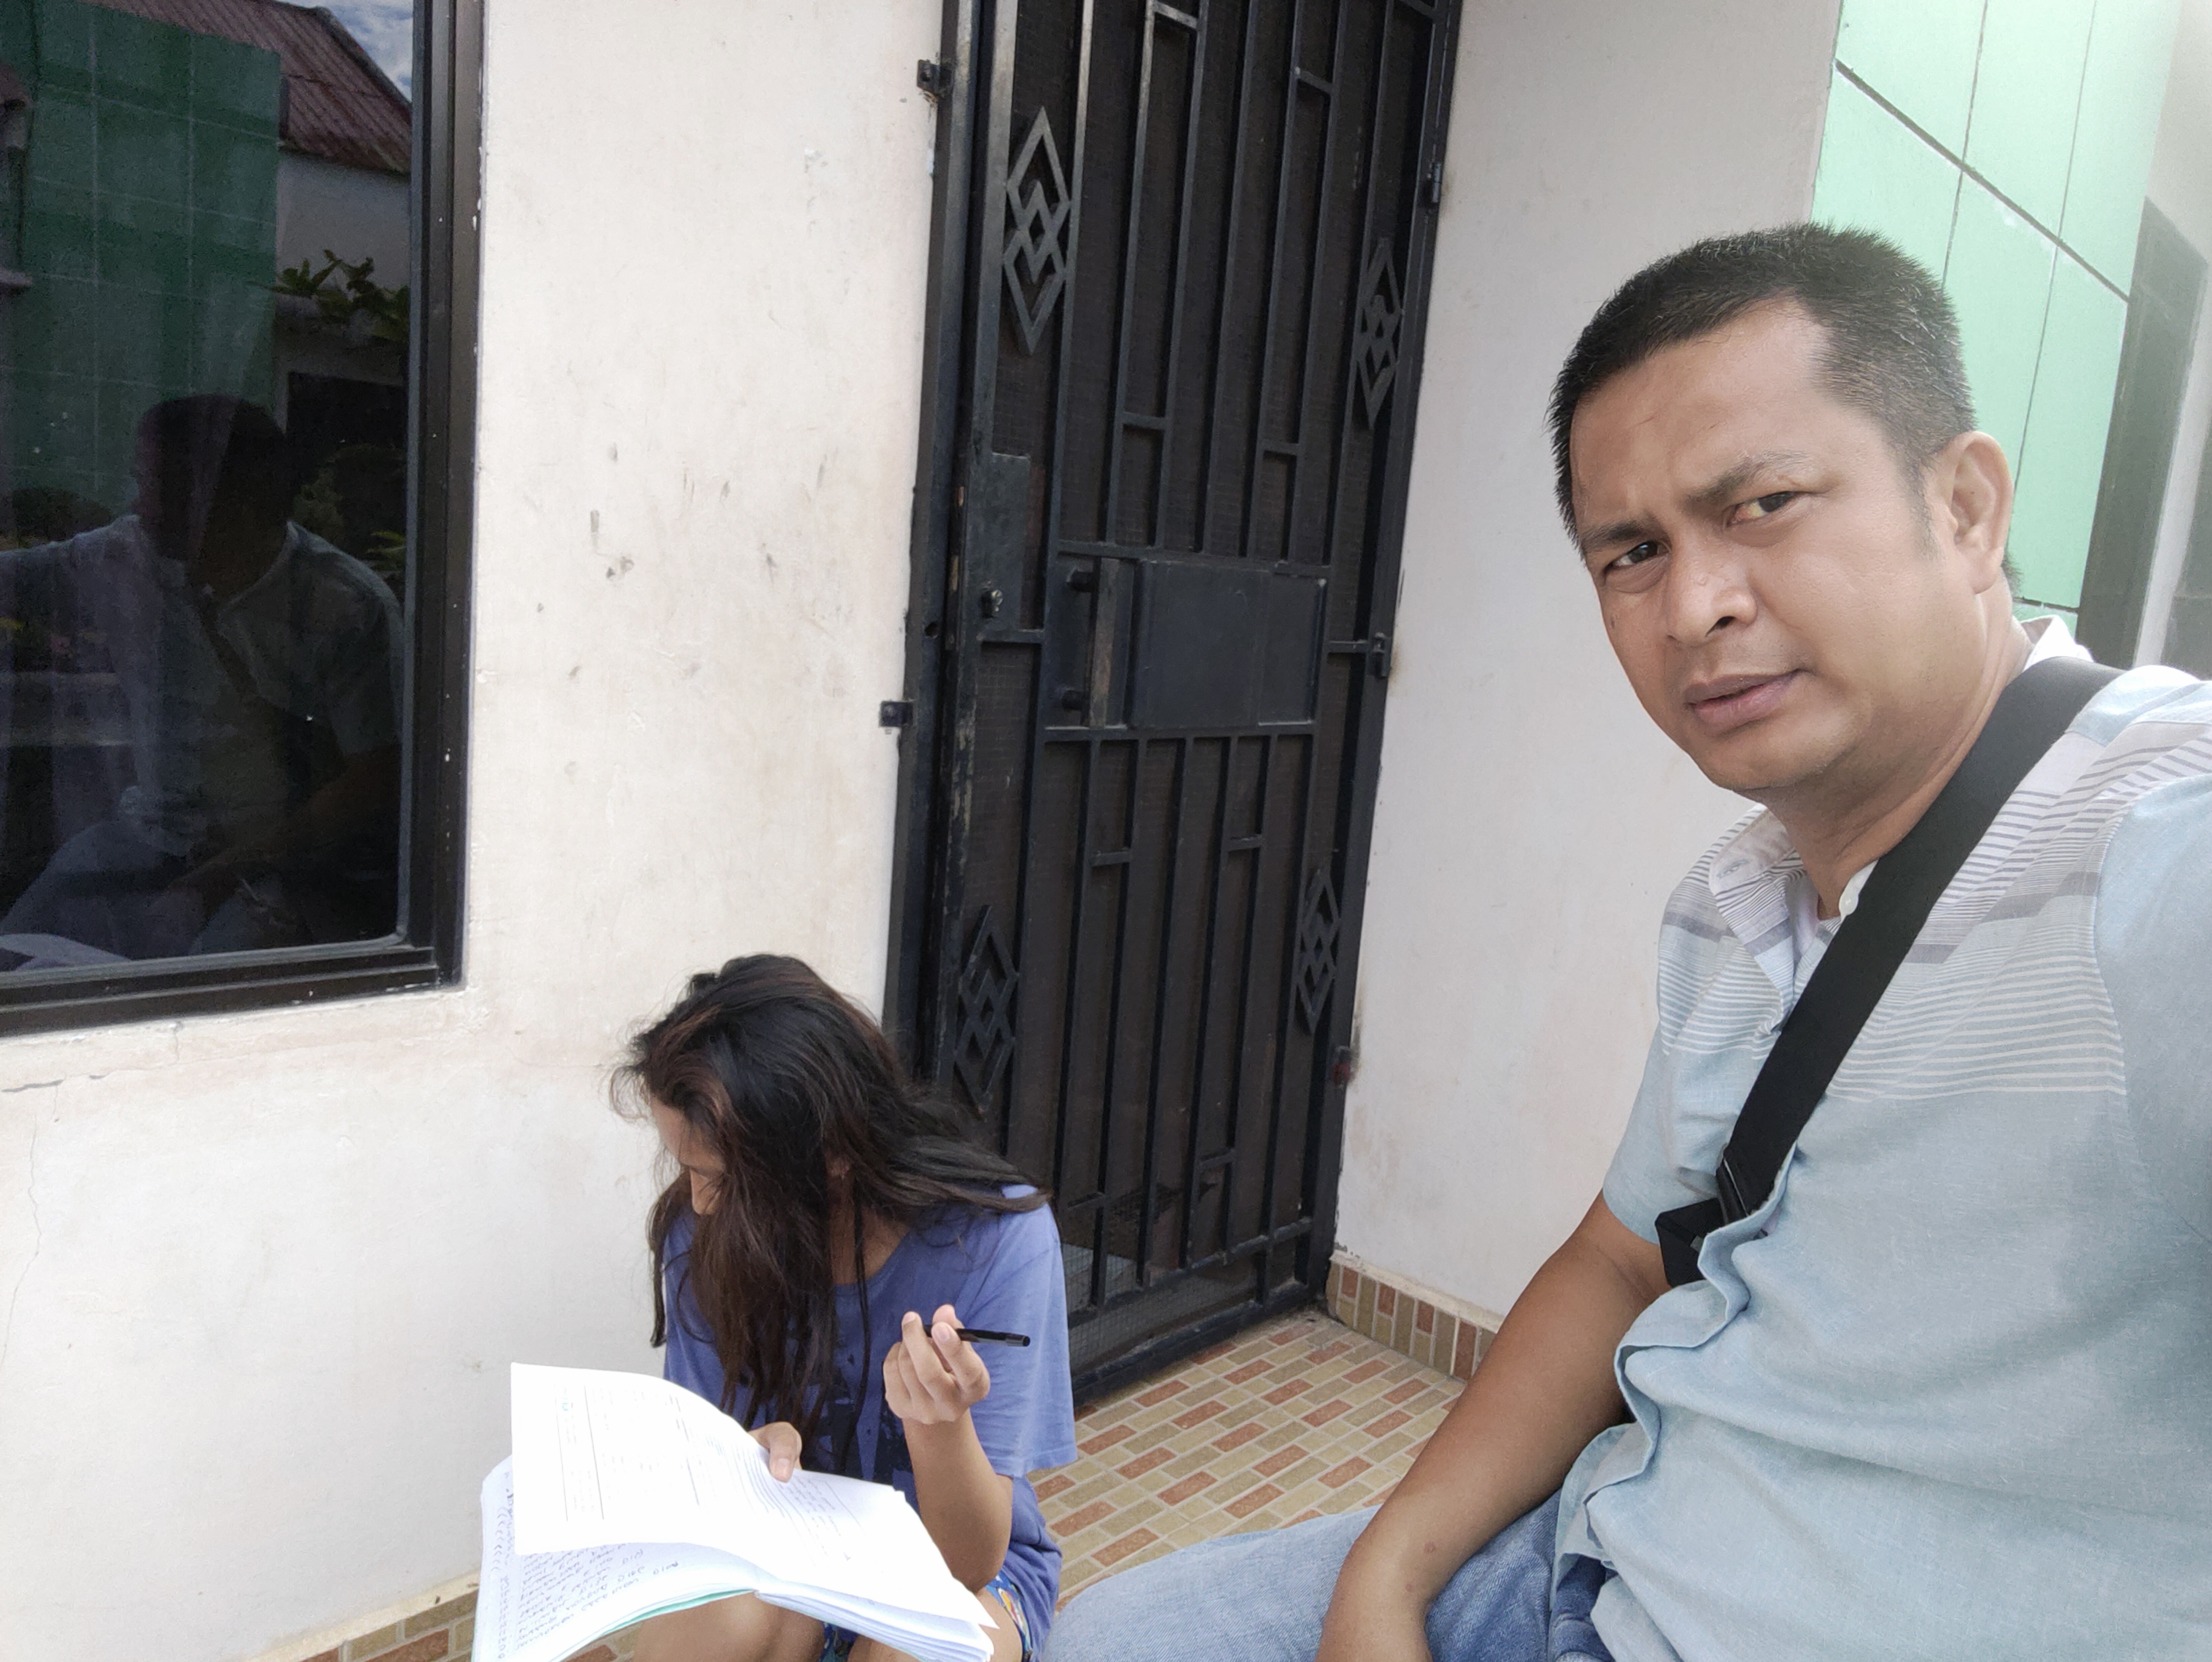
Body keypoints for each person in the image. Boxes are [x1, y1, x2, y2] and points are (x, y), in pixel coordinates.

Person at [1043, 225, 2212, 1661]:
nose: (1695, 606)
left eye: (1764, 504)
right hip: (1601, 1552)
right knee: (1116, 1635)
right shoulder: (1733, 897)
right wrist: (1385, 1576)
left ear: (1964, 507)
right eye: (1633, 552)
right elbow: (1619, 1262)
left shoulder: (2153, 842)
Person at [619, 955, 1079, 1662]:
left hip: (963, 1571)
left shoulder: (996, 1238)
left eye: (720, 1179)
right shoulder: (700, 1230)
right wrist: (743, 1465)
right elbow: (701, 1502)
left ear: (833, 1154)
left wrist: (939, 1426)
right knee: (714, 1629)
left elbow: (966, 1566)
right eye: (688, 1169)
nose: (700, 1203)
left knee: (919, 1652)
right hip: (781, 1547)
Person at [0, 394, 402, 962]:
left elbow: (373, 780)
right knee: (15, 963)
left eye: (153, 485)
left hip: (285, 866)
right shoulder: (124, 555)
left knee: (210, 997)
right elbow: (15, 578)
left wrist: (222, 875)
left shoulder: (346, 607)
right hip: (147, 834)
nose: (138, 504)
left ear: (226, 501)